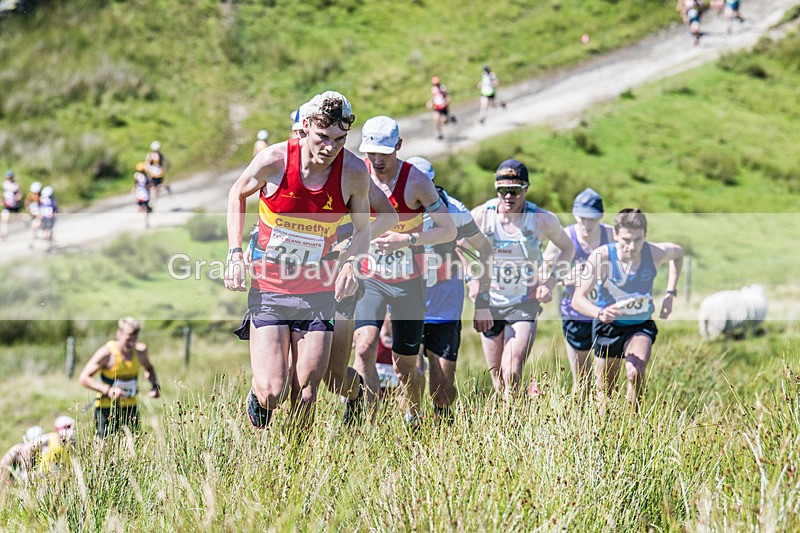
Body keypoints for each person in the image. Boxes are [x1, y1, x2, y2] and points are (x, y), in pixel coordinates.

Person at [225, 91, 371, 429]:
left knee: (306, 391)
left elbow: (363, 228)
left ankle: (295, 455)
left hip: (318, 291)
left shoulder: (353, 172)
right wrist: (235, 253)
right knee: (273, 392)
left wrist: (351, 264)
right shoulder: (274, 160)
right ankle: (259, 393)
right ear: (305, 126)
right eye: (323, 137)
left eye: (340, 139)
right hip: (271, 288)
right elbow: (236, 193)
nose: (330, 147)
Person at [353, 115, 457, 425]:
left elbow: (448, 230)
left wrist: (408, 239)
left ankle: (412, 414)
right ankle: (368, 420)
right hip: (371, 277)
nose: (377, 160)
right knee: (364, 348)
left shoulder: (417, 182)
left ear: (398, 146)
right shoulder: (358, 174)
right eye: (371, 153)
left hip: (408, 282)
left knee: (404, 365)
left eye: (384, 153)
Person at [470, 159, 575, 398]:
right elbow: (459, 246)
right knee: (497, 377)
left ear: (526, 188)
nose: (509, 196)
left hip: (524, 303)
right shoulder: (481, 216)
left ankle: (514, 414)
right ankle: (515, 411)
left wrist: (550, 283)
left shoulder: (541, 219)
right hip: (490, 302)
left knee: (512, 370)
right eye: (503, 190)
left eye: (515, 190)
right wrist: (473, 282)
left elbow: (567, 248)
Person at [406, 156, 493, 421]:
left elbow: (485, 250)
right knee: (410, 378)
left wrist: (482, 300)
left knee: (442, 390)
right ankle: (411, 428)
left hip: (445, 310)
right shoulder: (393, 208)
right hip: (406, 308)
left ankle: (442, 430)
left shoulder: (454, 210)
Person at [571, 209, 683, 413]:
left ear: (645, 235)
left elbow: (678, 253)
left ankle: (633, 422)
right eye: (626, 240)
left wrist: (670, 293)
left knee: (635, 371)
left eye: (638, 240)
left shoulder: (654, 253)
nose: (631, 246)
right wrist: (599, 313)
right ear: (615, 234)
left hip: (639, 325)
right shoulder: (601, 256)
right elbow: (577, 300)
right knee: (606, 393)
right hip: (608, 327)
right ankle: (606, 427)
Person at [543, 188, 613, 396]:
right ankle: (580, 415)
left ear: (600, 216)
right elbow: (543, 271)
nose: (587, 224)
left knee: (605, 382)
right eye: (583, 218)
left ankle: (604, 415)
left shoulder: (611, 235)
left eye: (592, 219)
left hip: (605, 313)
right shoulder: (565, 237)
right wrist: (565, 278)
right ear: (575, 215)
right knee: (582, 380)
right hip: (574, 313)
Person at [78, 317, 161, 438]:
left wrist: (155, 386)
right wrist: (108, 390)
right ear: (119, 334)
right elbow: (83, 378)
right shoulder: (107, 353)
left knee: (134, 444)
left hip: (130, 407)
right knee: (105, 447)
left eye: (134, 340)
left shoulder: (140, 352)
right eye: (128, 340)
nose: (131, 344)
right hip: (106, 408)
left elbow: (149, 368)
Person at [1, 416, 76, 484]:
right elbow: (3, 463)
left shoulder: (71, 442)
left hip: (56, 477)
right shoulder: (17, 449)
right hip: (38, 477)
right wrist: (26, 470)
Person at [1, 170, 23, 240]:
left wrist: (17, 198)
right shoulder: (5, 184)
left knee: (19, 219)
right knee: (5, 219)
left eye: (10, 177)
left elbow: (20, 194)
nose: (9, 178)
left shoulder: (16, 185)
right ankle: (4, 233)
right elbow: (3, 194)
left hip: (14, 205)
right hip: (7, 205)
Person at [38, 186, 57, 253]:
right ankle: (49, 244)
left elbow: (55, 209)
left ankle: (49, 245)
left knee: (48, 232)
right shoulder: (41, 199)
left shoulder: (52, 200)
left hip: (49, 218)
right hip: (44, 217)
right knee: (45, 232)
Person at [133, 163, 152, 228]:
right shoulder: (146, 177)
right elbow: (148, 186)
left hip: (138, 194)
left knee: (142, 207)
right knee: (145, 209)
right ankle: (146, 221)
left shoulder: (136, 175)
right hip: (145, 194)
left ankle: (143, 211)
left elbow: (135, 184)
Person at [24, 181, 42, 249]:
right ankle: (32, 242)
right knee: (33, 229)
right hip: (34, 215)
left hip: (40, 215)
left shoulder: (41, 197)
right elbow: (27, 204)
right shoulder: (30, 196)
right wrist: (30, 212)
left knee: (38, 228)